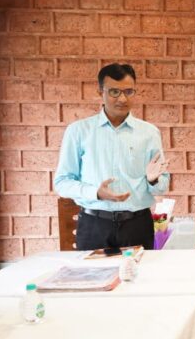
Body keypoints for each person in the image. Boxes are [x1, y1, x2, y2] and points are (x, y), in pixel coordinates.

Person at [54, 63, 169, 250]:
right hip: (94, 225)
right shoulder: (79, 131)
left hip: (137, 225)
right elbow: (62, 182)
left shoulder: (149, 133)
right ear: (101, 92)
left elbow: (162, 186)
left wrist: (153, 180)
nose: (122, 98)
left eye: (129, 91)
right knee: (92, 270)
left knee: (142, 270)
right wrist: (96, 193)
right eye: (114, 92)